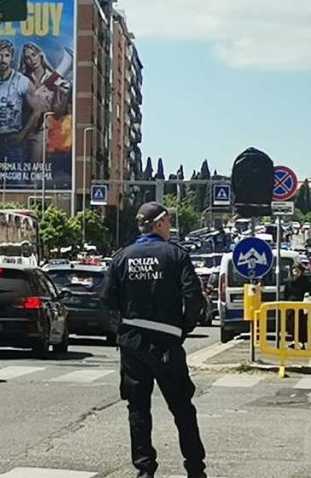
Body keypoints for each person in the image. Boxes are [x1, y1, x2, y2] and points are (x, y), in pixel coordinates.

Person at [101, 202, 207, 478]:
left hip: (133, 343)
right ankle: (195, 469)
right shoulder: (175, 255)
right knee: (182, 407)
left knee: (138, 409)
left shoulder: (122, 257)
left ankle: (145, 470)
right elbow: (194, 297)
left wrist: (122, 330)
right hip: (167, 343)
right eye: (168, 222)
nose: (170, 227)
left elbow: (106, 299)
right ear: (159, 224)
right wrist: (183, 329)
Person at [18, 42, 71, 163]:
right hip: (20, 128)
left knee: (35, 170)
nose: (32, 59)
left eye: (34, 54)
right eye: (27, 57)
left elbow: (57, 114)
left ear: (40, 55)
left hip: (39, 131)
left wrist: (63, 95)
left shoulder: (54, 80)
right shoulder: (21, 78)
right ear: (24, 60)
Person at [284, 263, 311, 349]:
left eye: (297, 270)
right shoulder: (289, 281)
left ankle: (302, 342)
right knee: (291, 324)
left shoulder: (305, 281)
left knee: (301, 324)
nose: (295, 272)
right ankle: (294, 340)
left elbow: (310, 292)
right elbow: (286, 293)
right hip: (290, 305)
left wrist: (308, 296)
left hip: (301, 305)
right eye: (294, 270)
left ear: (301, 271)